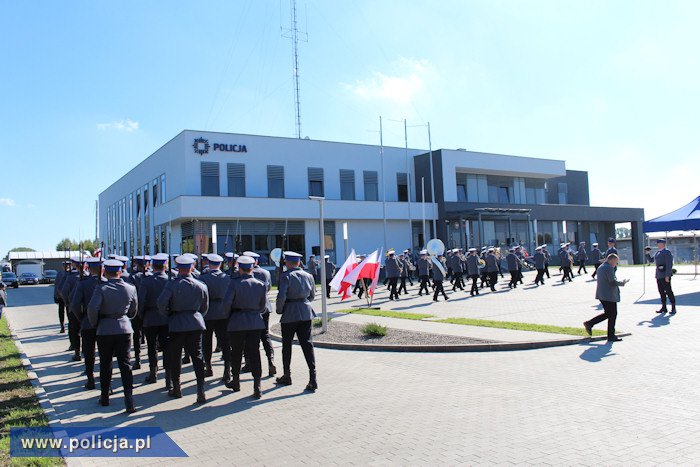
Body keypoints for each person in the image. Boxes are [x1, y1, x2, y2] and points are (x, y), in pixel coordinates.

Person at [87, 259, 138, 413]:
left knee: (105, 363)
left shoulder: (101, 288)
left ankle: (105, 396)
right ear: (120, 272)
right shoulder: (130, 288)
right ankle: (129, 400)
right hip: (124, 328)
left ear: (105, 272)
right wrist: (125, 318)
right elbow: (133, 310)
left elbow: (92, 308)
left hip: (105, 329)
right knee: (125, 364)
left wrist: (96, 323)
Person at [157, 255, 209, 403]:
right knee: (197, 357)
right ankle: (201, 390)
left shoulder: (172, 284)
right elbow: (205, 307)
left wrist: (169, 314)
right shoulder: (201, 285)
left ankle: (177, 388)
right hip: (195, 322)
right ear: (191, 268)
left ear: (178, 268)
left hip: (177, 323)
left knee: (176, 357)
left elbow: (161, 303)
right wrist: (197, 316)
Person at [222, 255, 267, 398]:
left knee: (236, 353)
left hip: (237, 321)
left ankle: (236, 381)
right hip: (255, 322)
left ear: (240, 268)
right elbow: (263, 307)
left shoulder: (234, 283)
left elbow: (227, 303)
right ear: (252, 268)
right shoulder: (260, 284)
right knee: (255, 353)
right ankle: (257, 385)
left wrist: (228, 315)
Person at [275, 251, 317, 391]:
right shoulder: (308, 275)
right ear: (299, 262)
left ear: (287, 263)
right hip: (305, 312)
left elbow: (281, 296)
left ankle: (287, 375)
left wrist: (280, 310)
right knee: (307, 345)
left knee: (287, 345)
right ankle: (313, 378)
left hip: (290, 313)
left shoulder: (286, 276)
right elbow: (312, 296)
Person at [70, 257, 106, 390]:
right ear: (102, 269)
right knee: (105, 355)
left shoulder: (83, 284)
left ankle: (90, 379)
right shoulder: (107, 283)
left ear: (89, 269)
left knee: (89, 353)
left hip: (87, 322)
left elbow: (74, 305)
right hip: (104, 322)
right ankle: (106, 383)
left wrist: (81, 318)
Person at [137, 253, 171, 388]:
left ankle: (153, 372)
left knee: (151, 347)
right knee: (167, 348)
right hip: (166, 318)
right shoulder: (170, 280)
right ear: (165, 265)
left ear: (152, 265)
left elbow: (141, 302)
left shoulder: (146, 281)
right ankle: (168, 377)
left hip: (150, 317)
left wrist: (141, 316)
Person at [241, 251, 277, 377]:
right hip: (265, 307)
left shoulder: (244, 274)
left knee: (248, 337)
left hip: (250, 308)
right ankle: (271, 360)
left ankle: (249, 363)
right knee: (265, 335)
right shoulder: (266, 272)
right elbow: (269, 288)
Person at [198, 254, 232, 381]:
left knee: (206, 341)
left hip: (208, 311)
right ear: (220, 264)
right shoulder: (227, 278)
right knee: (225, 342)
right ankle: (227, 370)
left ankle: (208, 366)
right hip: (223, 312)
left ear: (209, 263)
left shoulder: (203, 278)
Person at [584, 254, 628, 342]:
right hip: (609, 295)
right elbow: (612, 282)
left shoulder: (601, 266)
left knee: (608, 314)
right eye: (616, 262)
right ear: (611, 260)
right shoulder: (608, 268)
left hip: (603, 295)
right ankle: (611, 336)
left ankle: (589, 323)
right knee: (613, 315)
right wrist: (622, 283)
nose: (616, 264)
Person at [60, 256, 86, 361]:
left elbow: (63, 292)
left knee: (74, 329)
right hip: (85, 308)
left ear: (74, 265)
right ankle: (85, 351)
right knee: (86, 330)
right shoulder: (89, 276)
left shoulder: (70, 277)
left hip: (73, 307)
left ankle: (77, 352)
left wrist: (68, 303)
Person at [128, 255, 151, 370]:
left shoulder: (132, 276)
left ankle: (138, 359)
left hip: (137, 309)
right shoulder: (151, 276)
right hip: (149, 309)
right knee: (151, 338)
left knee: (136, 336)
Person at [653, 239, 677, 314]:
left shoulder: (667, 252)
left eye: (659, 243)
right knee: (661, 292)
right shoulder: (657, 252)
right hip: (659, 275)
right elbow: (651, 260)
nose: (658, 245)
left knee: (668, 291)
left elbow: (669, 264)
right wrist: (647, 254)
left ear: (663, 244)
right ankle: (664, 307)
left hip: (665, 275)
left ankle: (673, 307)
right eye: (657, 244)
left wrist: (667, 275)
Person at [54, 261, 70, 333]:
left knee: (63, 311)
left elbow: (57, 285)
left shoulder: (61, 274)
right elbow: (56, 285)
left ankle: (63, 326)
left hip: (64, 296)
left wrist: (56, 295)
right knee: (65, 311)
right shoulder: (61, 274)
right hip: (65, 296)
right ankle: (63, 326)